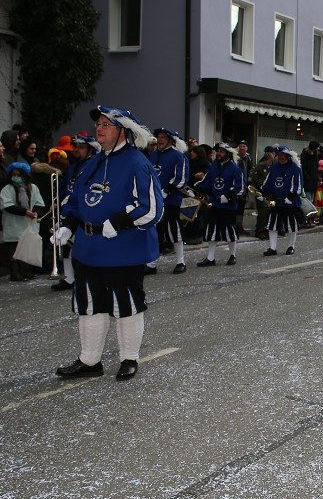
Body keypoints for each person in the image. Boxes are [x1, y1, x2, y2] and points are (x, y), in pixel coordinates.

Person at [54, 106, 161, 381]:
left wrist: (119, 221)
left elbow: (151, 209)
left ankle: (129, 358)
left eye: (106, 124)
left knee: (125, 304)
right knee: (89, 304)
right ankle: (90, 361)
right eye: (98, 124)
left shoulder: (138, 163)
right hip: (89, 248)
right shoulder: (91, 163)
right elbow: (76, 202)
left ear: (122, 130)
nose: (99, 129)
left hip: (123, 249)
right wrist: (67, 226)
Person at [51, 133, 101, 291]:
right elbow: (66, 187)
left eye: (81, 147)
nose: (77, 150)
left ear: (91, 149)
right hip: (70, 209)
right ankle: (69, 278)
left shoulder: (94, 165)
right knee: (65, 245)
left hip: (85, 211)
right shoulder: (74, 166)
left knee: (84, 245)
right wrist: (57, 200)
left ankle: (89, 277)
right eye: (76, 147)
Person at [147, 127, 189, 275]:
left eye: (163, 137)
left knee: (173, 229)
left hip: (171, 199)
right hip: (155, 199)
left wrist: (168, 190)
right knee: (155, 230)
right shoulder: (153, 155)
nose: (160, 139)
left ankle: (180, 261)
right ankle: (152, 264)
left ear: (170, 140)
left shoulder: (178, 156)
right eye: (158, 137)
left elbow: (181, 178)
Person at [194, 142, 244, 267]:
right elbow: (206, 182)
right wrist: (195, 189)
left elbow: (240, 187)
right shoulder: (213, 167)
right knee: (211, 230)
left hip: (227, 206)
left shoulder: (235, 168)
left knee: (229, 230)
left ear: (228, 153)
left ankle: (232, 255)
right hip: (214, 204)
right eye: (218, 151)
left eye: (222, 151)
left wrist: (228, 197)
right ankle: (211, 258)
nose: (219, 154)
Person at [0, 161, 45, 281]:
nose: (16, 177)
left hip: (28, 223)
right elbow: (7, 206)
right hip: (14, 224)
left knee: (27, 248)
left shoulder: (33, 188)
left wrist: (36, 212)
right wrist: (25, 212)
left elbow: (39, 203)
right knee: (14, 249)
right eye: (14, 175)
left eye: (19, 175)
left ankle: (25, 271)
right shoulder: (7, 189)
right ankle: (15, 273)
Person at [259, 145, 303, 256]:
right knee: (272, 225)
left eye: (283, 155)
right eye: (279, 155)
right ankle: (272, 248)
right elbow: (268, 182)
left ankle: (291, 246)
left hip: (289, 202)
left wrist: (291, 197)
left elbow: (298, 185)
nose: (281, 157)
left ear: (288, 156)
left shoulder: (295, 168)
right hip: (276, 202)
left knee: (291, 226)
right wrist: (263, 193)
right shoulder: (274, 167)